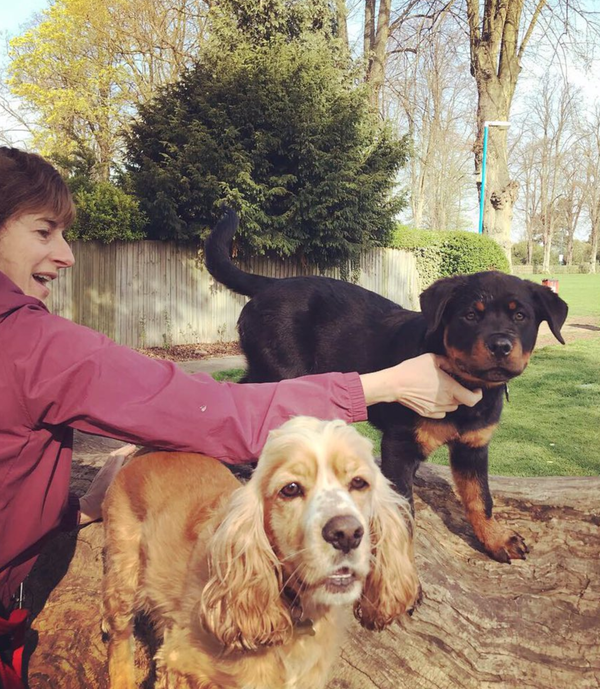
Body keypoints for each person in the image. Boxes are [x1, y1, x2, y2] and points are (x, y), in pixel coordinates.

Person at [0, 146, 483, 623]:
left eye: (63, 234)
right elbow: (213, 413)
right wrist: (385, 384)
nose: (66, 256)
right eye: (44, 231)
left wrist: (74, 511)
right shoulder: (33, 345)